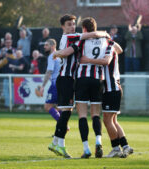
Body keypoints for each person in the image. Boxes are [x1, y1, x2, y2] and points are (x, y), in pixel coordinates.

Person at [47, 14, 110, 159]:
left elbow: (66, 51)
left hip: (67, 78)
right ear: (62, 26)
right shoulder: (71, 37)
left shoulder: (72, 37)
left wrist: (57, 53)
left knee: (66, 111)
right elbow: (91, 35)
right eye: (69, 24)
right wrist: (105, 34)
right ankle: (60, 145)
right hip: (66, 78)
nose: (72, 26)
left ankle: (55, 142)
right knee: (67, 112)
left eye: (73, 24)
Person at [80, 40, 134, 158]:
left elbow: (106, 60)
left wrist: (87, 60)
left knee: (107, 120)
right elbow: (120, 49)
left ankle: (116, 148)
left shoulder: (108, 47)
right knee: (113, 120)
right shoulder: (111, 45)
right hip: (113, 89)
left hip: (111, 89)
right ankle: (125, 146)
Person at [40, 39, 61, 122]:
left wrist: (43, 86)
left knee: (47, 106)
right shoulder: (60, 55)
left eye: (46, 45)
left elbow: (49, 72)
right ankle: (60, 130)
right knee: (60, 107)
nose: (44, 47)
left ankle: (63, 125)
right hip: (62, 84)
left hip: (55, 84)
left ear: (52, 46)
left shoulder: (52, 56)